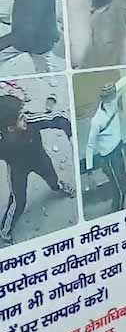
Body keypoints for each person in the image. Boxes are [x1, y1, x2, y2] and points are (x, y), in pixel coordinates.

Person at [0, 94, 75, 248]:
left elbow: (59, 118)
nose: (26, 118)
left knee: (53, 181)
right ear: (9, 128)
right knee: (18, 202)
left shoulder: (31, 121)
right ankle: (4, 233)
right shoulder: (2, 143)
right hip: (17, 169)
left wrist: (71, 136)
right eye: (20, 118)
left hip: (39, 159)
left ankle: (59, 187)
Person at [86, 78, 126, 213]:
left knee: (122, 175)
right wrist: (89, 170)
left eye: (112, 96)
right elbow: (90, 146)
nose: (111, 101)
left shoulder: (114, 98)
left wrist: (116, 87)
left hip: (118, 148)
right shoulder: (97, 121)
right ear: (103, 99)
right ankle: (118, 209)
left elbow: (125, 80)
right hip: (108, 158)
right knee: (117, 186)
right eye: (109, 98)